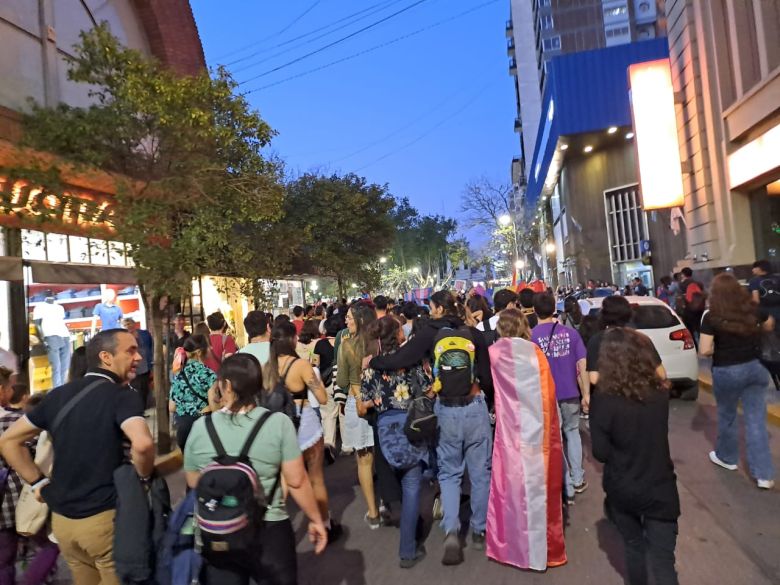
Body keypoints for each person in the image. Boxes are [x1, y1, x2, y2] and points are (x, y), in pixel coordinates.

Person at [0, 329, 154, 585]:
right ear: (106, 357)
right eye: (131, 350)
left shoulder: (58, 395)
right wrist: (144, 476)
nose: (138, 357)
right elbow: (144, 443)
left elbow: (9, 441)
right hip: (105, 519)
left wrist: (38, 483)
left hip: (63, 523)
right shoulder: (122, 396)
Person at [368, 290, 493, 565]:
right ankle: (479, 529)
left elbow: (399, 359)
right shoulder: (473, 334)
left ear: (436, 309)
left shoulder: (429, 335)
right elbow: (486, 375)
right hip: (474, 407)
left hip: (446, 409)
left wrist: (374, 362)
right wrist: (489, 405)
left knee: (449, 473)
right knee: (480, 472)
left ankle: (451, 530)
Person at [185, 353, 327, 584]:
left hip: (220, 529)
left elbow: (194, 482)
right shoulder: (278, 423)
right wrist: (316, 519)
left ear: (226, 385)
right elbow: (297, 481)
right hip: (269, 525)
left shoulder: (201, 427)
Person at [590, 327, 680, 585]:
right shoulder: (660, 394)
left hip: (623, 487)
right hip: (660, 487)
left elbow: (600, 452)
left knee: (634, 547)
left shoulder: (604, 401)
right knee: (664, 562)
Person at [486, 309, 566, 570]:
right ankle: (544, 551)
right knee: (538, 489)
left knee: (509, 489)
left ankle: (510, 546)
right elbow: (547, 394)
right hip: (538, 432)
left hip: (509, 433)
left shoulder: (494, 353)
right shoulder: (535, 354)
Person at [358, 317, 432, 568]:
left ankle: (410, 534)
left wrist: (379, 401)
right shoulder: (413, 363)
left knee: (400, 482)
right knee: (412, 486)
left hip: (385, 432)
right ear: (398, 334)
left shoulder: (369, 368)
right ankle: (407, 550)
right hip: (411, 427)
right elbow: (429, 389)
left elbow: (362, 405)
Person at [699, 272, 775, 489]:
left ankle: (727, 458)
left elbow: (704, 350)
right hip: (755, 368)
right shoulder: (751, 310)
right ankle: (764, 475)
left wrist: (721, 348)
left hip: (727, 370)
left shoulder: (710, 316)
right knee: (756, 420)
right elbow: (769, 324)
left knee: (727, 415)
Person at [263, 322, 336, 539]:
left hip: (278, 427)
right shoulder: (301, 366)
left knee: (283, 481)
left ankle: (273, 529)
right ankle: (324, 524)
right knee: (315, 479)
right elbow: (322, 398)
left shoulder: (267, 367)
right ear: (292, 340)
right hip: (305, 425)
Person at [531, 293, 590, 503]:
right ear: (554, 309)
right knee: (572, 432)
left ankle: (565, 485)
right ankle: (577, 478)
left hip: (546, 396)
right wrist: (586, 394)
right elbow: (582, 365)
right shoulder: (571, 334)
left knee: (554, 439)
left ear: (534, 310)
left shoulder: (531, 337)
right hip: (571, 392)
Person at [336, 303, 382, 528]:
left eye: (350, 318)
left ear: (360, 320)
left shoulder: (347, 345)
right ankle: (388, 503)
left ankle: (373, 512)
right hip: (381, 403)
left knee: (364, 461)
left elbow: (342, 381)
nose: (346, 322)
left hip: (358, 402)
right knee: (383, 456)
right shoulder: (380, 343)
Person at [169, 334, 216, 448]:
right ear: (199, 352)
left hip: (183, 430)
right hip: (204, 427)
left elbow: (172, 407)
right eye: (209, 345)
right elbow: (214, 407)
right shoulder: (208, 374)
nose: (211, 348)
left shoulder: (178, 374)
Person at [313, 315, 341, 463]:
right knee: (343, 413)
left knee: (328, 414)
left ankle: (329, 443)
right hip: (342, 381)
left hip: (326, 382)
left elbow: (315, 364)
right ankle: (348, 446)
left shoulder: (320, 344)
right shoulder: (344, 341)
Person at [32, 291, 71, 388]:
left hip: (65, 335)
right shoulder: (39, 307)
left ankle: (64, 388)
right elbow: (37, 324)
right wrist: (43, 339)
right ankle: (57, 390)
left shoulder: (59, 307)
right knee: (56, 366)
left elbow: (61, 322)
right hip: (50, 336)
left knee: (65, 366)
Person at [123, 317, 153, 409]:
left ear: (134, 324)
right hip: (133, 367)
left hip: (145, 365)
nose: (128, 326)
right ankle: (138, 409)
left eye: (129, 324)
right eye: (125, 325)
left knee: (145, 389)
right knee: (136, 389)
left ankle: (143, 408)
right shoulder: (124, 338)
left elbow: (151, 346)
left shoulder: (144, 334)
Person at [676, 267, 706, 348]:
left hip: (688, 309)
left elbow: (680, 297)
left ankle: (695, 347)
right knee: (699, 327)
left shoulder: (682, 284)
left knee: (690, 329)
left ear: (683, 274)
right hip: (699, 308)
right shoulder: (698, 283)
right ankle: (704, 344)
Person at [748, 259, 780, 328]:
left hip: (765, 312)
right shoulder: (778, 278)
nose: (752, 270)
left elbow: (756, 300)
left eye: (754, 268)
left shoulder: (754, 281)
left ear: (759, 268)